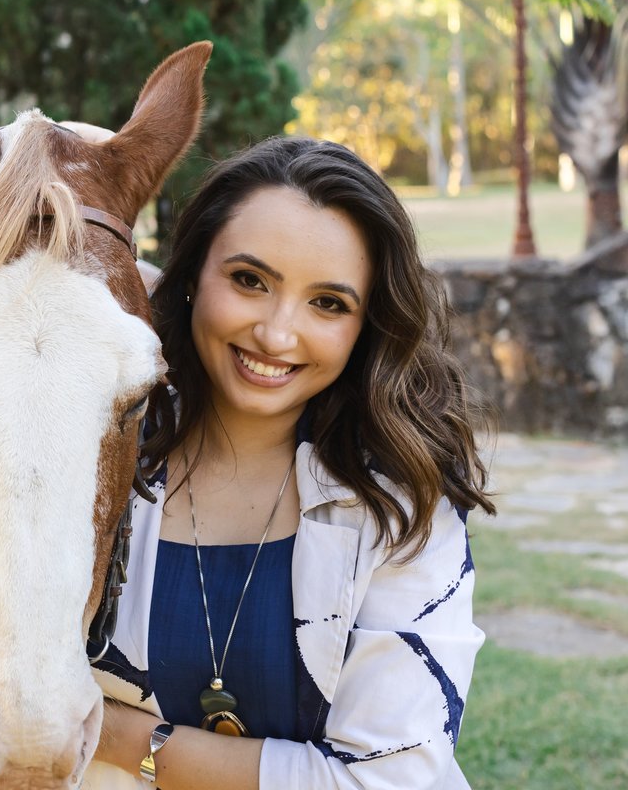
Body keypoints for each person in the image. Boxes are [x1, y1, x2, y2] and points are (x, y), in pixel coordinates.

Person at [87, 136, 494, 789]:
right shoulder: (101, 453)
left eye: (328, 303)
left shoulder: (400, 500)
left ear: (366, 325)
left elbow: (385, 782)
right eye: (249, 281)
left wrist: (118, 736)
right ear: (192, 276)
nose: (276, 334)